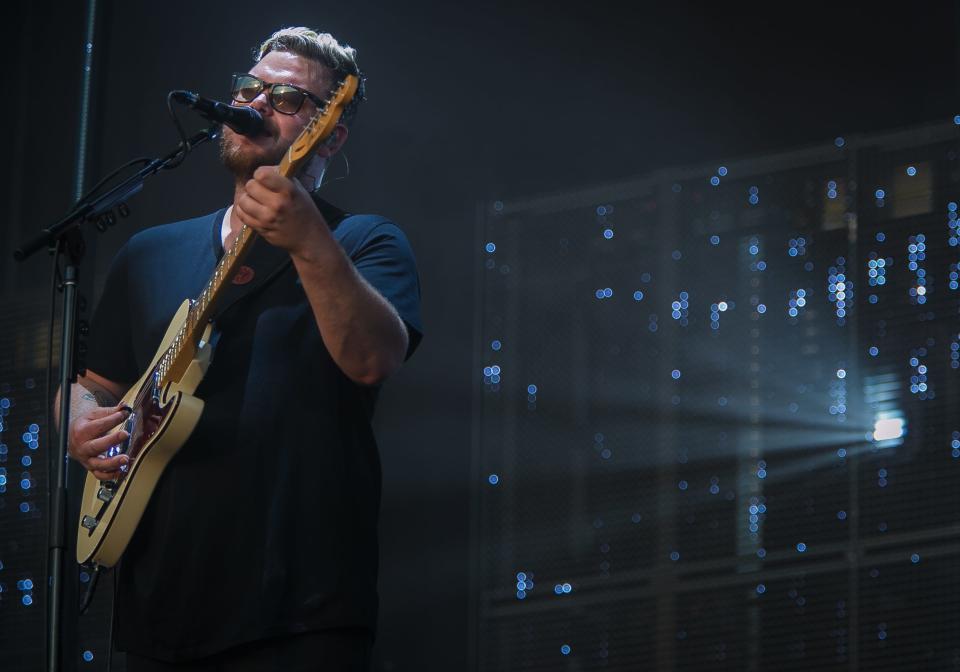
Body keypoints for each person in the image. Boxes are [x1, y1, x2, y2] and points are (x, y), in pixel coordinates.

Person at [63, 27, 422, 671]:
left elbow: (374, 358)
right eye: (250, 87)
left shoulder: (366, 242)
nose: (256, 102)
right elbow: (92, 383)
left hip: (299, 611)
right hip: (158, 612)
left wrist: (309, 239)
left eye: (286, 97)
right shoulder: (150, 253)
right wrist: (78, 420)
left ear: (329, 133)